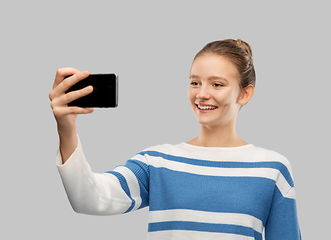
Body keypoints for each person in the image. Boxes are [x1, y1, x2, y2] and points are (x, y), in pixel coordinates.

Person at [49, 39, 301, 240]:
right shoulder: (157, 163)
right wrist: (66, 127)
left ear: (245, 94)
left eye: (217, 84)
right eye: (195, 82)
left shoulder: (272, 169)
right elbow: (90, 199)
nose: (202, 94)